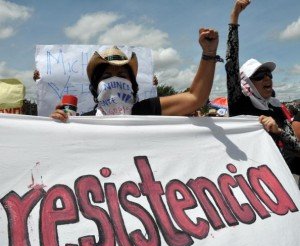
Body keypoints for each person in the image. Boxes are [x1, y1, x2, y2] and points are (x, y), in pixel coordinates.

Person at [51, 27, 222, 120]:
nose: (115, 80)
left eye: (122, 75)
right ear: (95, 88)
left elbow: (195, 98)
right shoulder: (83, 121)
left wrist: (209, 53)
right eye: (106, 76)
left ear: (133, 86)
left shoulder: (148, 109)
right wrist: (59, 126)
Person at [226, 0, 300, 175]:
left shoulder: (275, 106)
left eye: (269, 74)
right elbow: (231, 64)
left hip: (277, 176)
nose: (267, 78)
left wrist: (278, 131)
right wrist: (234, 17)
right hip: (246, 177)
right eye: (259, 75)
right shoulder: (240, 102)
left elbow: (296, 147)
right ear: (247, 82)